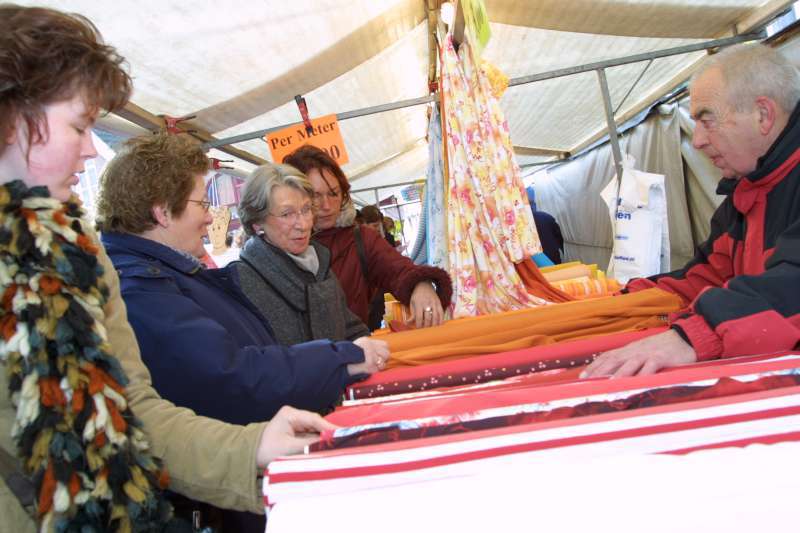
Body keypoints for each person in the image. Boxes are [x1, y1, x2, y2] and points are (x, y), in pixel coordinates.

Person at [0, 5, 336, 531]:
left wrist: (251, 447)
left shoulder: (78, 257)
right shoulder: (126, 273)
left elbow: (136, 410)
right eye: (79, 126)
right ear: (14, 117)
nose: (92, 150)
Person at [97, 134, 389, 530]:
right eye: (202, 203)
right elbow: (229, 375)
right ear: (163, 211)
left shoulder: (166, 275)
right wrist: (341, 358)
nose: (208, 217)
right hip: (236, 484)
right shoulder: (144, 290)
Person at [583, 43, 800, 379]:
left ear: (763, 115)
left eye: (706, 120)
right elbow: (707, 276)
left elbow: (791, 286)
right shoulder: (744, 197)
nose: (697, 140)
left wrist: (697, 334)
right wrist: (626, 300)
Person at [284, 145, 453, 328]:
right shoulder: (277, 247)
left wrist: (421, 284)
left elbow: (398, 269)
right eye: (315, 196)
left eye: (333, 193)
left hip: (355, 353)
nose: (327, 205)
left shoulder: (360, 239)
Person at [235, 162, 370, 345]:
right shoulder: (244, 282)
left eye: (306, 210)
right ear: (257, 222)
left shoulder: (319, 266)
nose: (304, 224)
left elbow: (349, 327)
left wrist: (364, 343)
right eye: (287, 214)